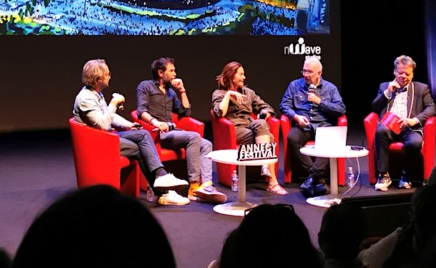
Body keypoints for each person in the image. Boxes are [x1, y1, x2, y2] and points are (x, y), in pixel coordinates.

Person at [73, 58, 190, 206]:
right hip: (99, 141)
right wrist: (114, 103)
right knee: (139, 146)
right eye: (108, 74)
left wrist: (129, 125)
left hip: (107, 136)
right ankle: (162, 187)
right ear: (99, 78)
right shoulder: (85, 98)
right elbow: (103, 124)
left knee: (142, 134)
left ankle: (162, 182)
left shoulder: (96, 94)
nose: (110, 76)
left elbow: (110, 116)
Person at [12, 185, 176, 268]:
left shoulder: (46, 232)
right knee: (142, 141)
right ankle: (160, 177)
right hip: (109, 137)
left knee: (142, 138)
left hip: (119, 134)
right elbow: (104, 122)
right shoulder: (90, 116)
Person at [136, 57, 226, 204]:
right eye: (171, 71)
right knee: (194, 137)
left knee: (206, 144)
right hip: (157, 133)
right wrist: (156, 122)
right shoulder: (145, 86)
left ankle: (207, 185)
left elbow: (185, 112)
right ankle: (193, 185)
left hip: (173, 132)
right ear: (160, 72)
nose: (175, 74)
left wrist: (182, 90)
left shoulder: (170, 92)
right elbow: (141, 111)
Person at [211, 61, 287, 195]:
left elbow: (266, 107)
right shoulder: (219, 93)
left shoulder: (248, 92)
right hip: (234, 129)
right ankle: (272, 182)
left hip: (250, 124)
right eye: (240, 74)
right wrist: (229, 95)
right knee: (269, 137)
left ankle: (264, 166)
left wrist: (264, 114)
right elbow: (219, 113)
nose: (244, 77)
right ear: (231, 76)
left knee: (262, 124)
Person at [279, 55, 346, 197]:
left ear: (319, 73)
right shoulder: (294, 85)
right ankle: (317, 179)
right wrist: (296, 116)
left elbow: (341, 109)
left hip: (323, 126)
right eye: (304, 71)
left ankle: (311, 179)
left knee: (330, 142)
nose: (306, 75)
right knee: (292, 137)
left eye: (310, 72)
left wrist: (319, 101)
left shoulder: (330, 88)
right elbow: (284, 105)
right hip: (304, 126)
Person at [371, 55, 436, 191]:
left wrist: (414, 120)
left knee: (415, 142)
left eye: (408, 73)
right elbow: (375, 108)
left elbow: (432, 107)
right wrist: (388, 92)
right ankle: (383, 175)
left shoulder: (421, 88)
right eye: (401, 73)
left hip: (409, 127)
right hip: (389, 126)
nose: (404, 76)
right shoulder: (384, 86)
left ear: (412, 74)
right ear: (395, 72)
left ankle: (406, 175)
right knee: (380, 131)